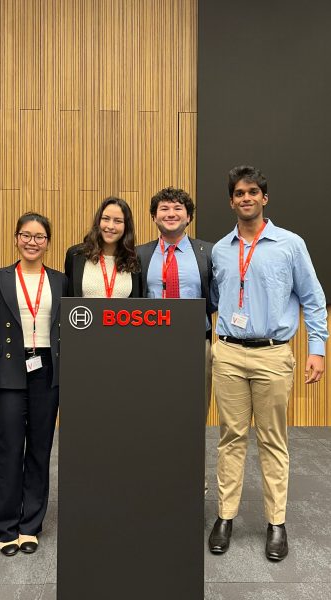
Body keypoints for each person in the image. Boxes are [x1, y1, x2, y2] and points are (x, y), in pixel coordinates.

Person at [208, 165, 328, 561]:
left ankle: (276, 523)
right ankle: (226, 516)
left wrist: (317, 348)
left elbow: (313, 299)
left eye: (253, 192)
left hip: (273, 354)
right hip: (227, 353)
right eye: (239, 193)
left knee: (273, 440)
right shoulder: (221, 249)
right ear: (231, 200)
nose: (246, 198)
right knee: (230, 437)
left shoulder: (291, 245)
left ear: (265, 198)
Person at [0, 212, 67, 557]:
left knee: (40, 447)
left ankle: (29, 526)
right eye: (26, 235)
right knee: (8, 450)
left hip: (47, 367)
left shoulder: (61, 280)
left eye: (39, 236)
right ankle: (6, 527)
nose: (32, 242)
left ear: (48, 242)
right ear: (16, 238)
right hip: (9, 367)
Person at [136, 186, 215, 488]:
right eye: (164, 209)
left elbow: (215, 298)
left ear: (189, 217)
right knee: (154, 411)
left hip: (196, 346)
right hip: (152, 347)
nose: (171, 214)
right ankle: (157, 472)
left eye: (178, 208)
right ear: (154, 216)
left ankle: (193, 476)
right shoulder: (140, 254)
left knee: (194, 414)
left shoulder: (207, 253)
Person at [64, 197, 141, 298]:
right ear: (98, 221)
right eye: (106, 219)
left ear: (126, 226)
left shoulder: (133, 259)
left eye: (118, 221)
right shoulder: (76, 254)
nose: (110, 226)